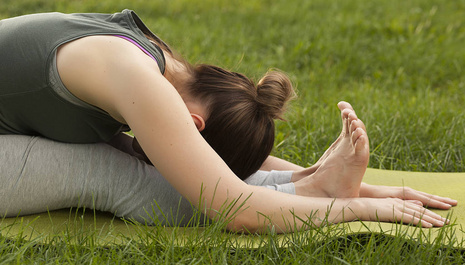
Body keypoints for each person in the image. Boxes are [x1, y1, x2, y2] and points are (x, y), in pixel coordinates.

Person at [0, 10, 456, 232]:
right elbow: (230, 206)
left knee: (121, 157)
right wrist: (352, 208)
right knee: (112, 172)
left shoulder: (150, 55)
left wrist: (315, 175)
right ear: (194, 126)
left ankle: (312, 189)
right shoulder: (140, 82)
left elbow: (205, 168)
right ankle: (313, 194)